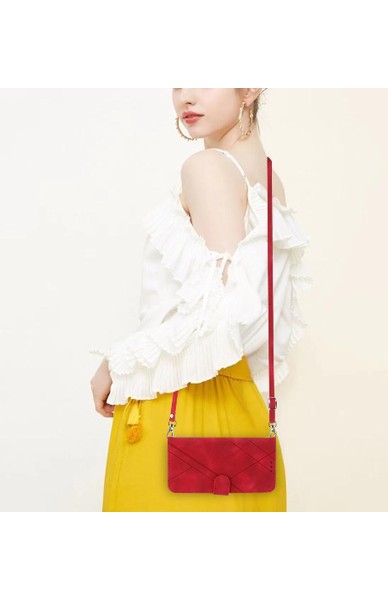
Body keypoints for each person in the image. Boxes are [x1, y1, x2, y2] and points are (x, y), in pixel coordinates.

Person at [89, 88, 313, 511]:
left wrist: (118, 362)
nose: (185, 97)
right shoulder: (268, 178)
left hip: (181, 419)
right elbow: (254, 320)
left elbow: (222, 315)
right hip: (242, 417)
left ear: (250, 85)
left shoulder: (207, 168)